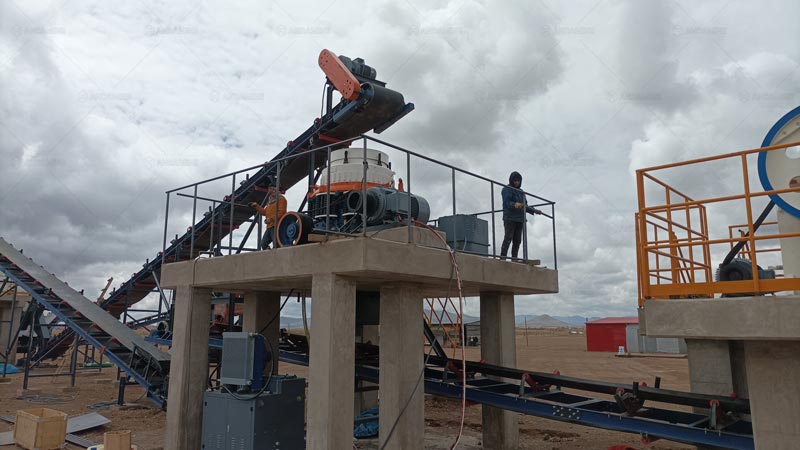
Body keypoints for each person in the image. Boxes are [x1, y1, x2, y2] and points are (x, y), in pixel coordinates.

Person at [500, 171, 542, 260]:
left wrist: (534, 210)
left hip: (520, 219)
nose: (516, 182)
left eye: (518, 181)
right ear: (511, 180)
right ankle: (502, 257)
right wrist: (515, 204)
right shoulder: (506, 189)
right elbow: (507, 203)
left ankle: (514, 258)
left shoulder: (521, 192)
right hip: (510, 218)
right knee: (508, 238)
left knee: (517, 240)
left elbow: (524, 206)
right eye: (515, 180)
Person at [249, 178, 287, 249]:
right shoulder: (270, 202)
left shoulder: (281, 199)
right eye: (270, 190)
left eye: (271, 190)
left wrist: (271, 219)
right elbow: (264, 212)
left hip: (277, 225)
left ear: (275, 190)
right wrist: (256, 206)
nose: (270, 192)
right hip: (269, 226)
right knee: (263, 244)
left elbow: (281, 212)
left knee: (277, 244)